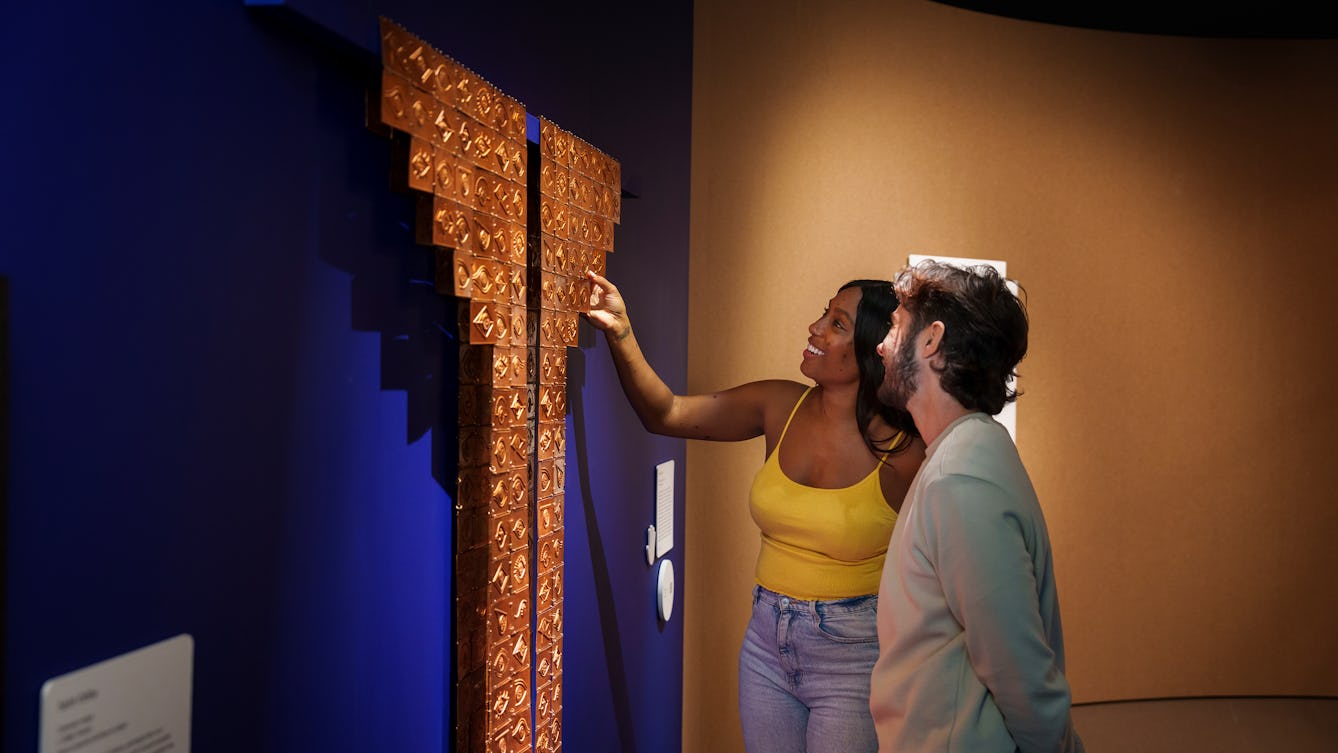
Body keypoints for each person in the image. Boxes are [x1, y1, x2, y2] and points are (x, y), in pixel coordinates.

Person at [583, 269, 926, 753]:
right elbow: (665, 413)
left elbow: (946, 571)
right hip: (767, 643)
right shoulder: (778, 405)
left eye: (837, 324)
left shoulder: (905, 452)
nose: (815, 327)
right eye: (823, 313)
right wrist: (621, 332)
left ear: (873, 349)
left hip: (855, 656)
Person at [870, 259, 1083, 753]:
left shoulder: (960, 478)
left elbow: (1018, 668)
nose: (881, 344)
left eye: (896, 326)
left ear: (932, 341)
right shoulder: (962, 454)